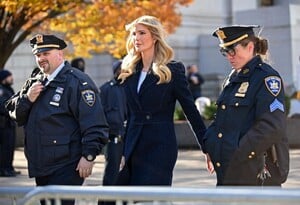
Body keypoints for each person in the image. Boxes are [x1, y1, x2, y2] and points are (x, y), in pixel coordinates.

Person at [5, 34, 108, 204]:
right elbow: (14, 112)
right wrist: (27, 99)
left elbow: (94, 122)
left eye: (46, 54)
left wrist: (89, 155)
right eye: (38, 55)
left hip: (66, 164)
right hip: (41, 164)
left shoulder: (77, 81)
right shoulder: (35, 80)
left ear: (60, 54)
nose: (41, 59)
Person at [116, 15, 207, 186]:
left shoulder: (172, 69)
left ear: (155, 36)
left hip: (159, 147)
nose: (137, 38)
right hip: (132, 145)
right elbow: (126, 114)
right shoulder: (129, 70)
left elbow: (190, 109)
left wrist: (207, 147)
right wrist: (119, 149)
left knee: (151, 198)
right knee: (117, 195)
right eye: (134, 34)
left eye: (142, 33)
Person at [203, 25, 289, 186]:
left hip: (254, 174)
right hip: (230, 172)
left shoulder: (267, 78)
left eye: (232, 51)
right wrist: (212, 146)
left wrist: (235, 153)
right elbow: (222, 119)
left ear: (250, 47)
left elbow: (272, 126)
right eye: (225, 52)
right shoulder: (233, 79)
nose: (229, 56)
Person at [100, 60, 127, 186]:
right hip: (113, 139)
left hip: (130, 139)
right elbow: (99, 116)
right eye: (121, 69)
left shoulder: (131, 88)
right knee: (111, 175)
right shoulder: (106, 89)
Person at [0, 70, 20, 177]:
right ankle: (3, 169)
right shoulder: (1, 90)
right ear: (4, 78)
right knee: (4, 148)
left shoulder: (8, 89)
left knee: (10, 148)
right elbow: (3, 106)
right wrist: (12, 112)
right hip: (3, 125)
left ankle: (9, 167)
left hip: (9, 124)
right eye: (9, 76)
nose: (11, 78)